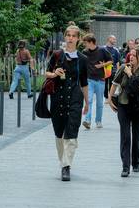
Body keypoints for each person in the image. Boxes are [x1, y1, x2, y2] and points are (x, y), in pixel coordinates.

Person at [45, 24, 89, 181]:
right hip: (58, 97)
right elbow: (46, 73)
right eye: (68, 35)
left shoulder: (83, 59)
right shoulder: (57, 55)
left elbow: (84, 82)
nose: (70, 38)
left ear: (78, 39)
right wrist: (54, 73)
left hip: (75, 97)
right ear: (65, 37)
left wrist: (87, 102)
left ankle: (66, 166)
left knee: (71, 131)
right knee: (59, 132)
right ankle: (63, 161)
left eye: (73, 36)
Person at [108, 45, 139, 177]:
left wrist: (130, 74)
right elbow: (115, 83)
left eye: (135, 55)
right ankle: (125, 166)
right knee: (125, 135)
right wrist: (110, 99)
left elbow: (137, 86)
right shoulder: (123, 67)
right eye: (131, 54)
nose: (131, 57)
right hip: (123, 105)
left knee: (136, 135)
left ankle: (136, 162)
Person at [81, 33, 113, 129]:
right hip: (89, 80)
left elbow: (110, 61)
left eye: (85, 43)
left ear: (91, 42)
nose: (84, 45)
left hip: (100, 80)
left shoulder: (102, 50)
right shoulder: (85, 52)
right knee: (89, 100)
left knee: (99, 103)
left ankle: (98, 121)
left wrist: (101, 65)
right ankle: (87, 121)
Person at [104, 35, 120, 100]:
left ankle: (110, 97)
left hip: (113, 70)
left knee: (112, 84)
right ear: (109, 39)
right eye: (113, 39)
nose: (115, 41)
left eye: (115, 39)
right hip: (104, 69)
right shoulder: (103, 48)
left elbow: (118, 62)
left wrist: (118, 71)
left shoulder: (116, 50)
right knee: (105, 84)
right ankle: (106, 97)